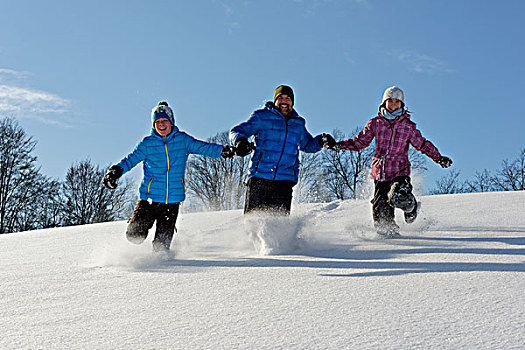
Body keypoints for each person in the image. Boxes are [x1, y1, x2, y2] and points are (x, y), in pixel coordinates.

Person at [102, 101, 235, 252]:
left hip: (172, 202)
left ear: (171, 122)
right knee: (134, 235)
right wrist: (115, 171)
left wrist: (224, 151)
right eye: (157, 122)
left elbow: (203, 147)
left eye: (164, 120)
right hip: (149, 200)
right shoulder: (147, 144)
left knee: (161, 249)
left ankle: (162, 271)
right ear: (153, 125)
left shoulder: (183, 140)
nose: (161, 124)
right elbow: (130, 159)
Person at [329, 86, 452, 237]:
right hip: (380, 174)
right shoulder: (375, 123)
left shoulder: (407, 126)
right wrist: (339, 145)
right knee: (380, 212)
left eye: (397, 102)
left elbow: (422, 144)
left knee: (397, 196)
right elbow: (360, 142)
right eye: (390, 101)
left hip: (400, 171)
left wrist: (438, 157)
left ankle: (411, 207)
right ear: (384, 103)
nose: (393, 105)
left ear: (402, 105)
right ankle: (390, 236)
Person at [230, 84, 335, 215]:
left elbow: (307, 144)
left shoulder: (298, 123)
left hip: (284, 182)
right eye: (281, 98)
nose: (284, 101)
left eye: (288, 98)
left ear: (292, 102)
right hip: (259, 178)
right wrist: (240, 141)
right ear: (275, 101)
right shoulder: (262, 116)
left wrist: (321, 140)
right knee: (253, 222)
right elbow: (236, 131)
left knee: (279, 226)